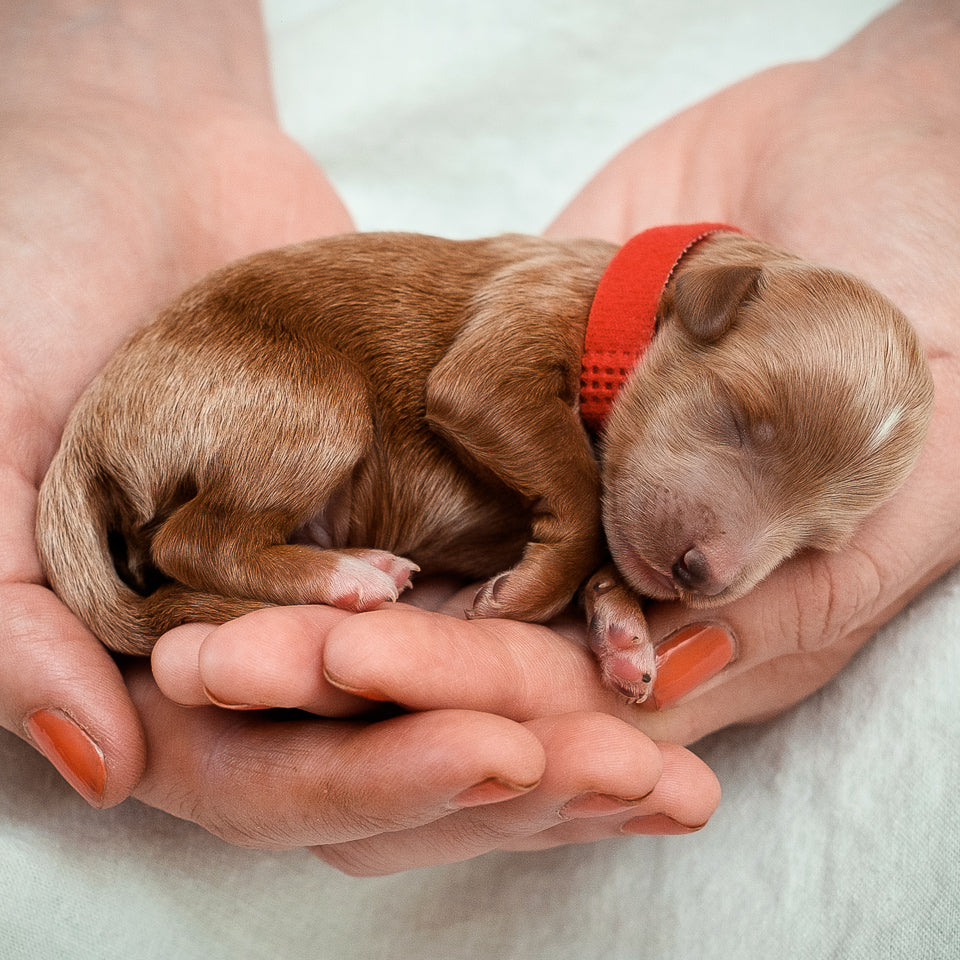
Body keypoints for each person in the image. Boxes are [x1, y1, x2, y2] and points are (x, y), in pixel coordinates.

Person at [2, 0, 957, 877]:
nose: (729, 559)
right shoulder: (570, 306)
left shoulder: (643, 429)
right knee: (317, 420)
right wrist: (102, 80)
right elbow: (470, 388)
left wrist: (607, 592)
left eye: (803, 538)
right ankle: (208, 545)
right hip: (251, 363)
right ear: (702, 303)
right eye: (741, 424)